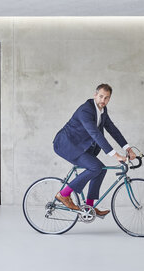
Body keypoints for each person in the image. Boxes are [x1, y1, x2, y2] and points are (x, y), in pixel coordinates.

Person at [53, 83, 137, 217]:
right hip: (67, 145)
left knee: (100, 169)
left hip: (81, 146)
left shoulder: (103, 111)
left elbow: (112, 129)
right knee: (95, 167)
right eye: (101, 96)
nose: (103, 100)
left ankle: (89, 207)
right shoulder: (85, 110)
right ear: (95, 95)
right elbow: (95, 134)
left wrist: (128, 148)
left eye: (107, 98)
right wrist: (116, 155)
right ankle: (63, 195)